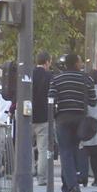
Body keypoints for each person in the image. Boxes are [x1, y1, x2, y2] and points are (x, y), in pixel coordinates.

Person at [51, 53, 95, 192]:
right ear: (76, 63)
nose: (82, 63)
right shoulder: (86, 79)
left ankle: (71, 185)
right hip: (79, 119)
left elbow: (51, 99)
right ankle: (69, 185)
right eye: (81, 60)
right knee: (74, 150)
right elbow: (93, 101)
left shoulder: (57, 79)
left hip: (62, 119)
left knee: (65, 152)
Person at [32, 51, 52, 185]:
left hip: (27, 116)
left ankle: (28, 172)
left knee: (26, 146)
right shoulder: (49, 76)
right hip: (43, 115)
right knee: (43, 148)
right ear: (47, 62)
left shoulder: (29, 73)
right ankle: (41, 178)